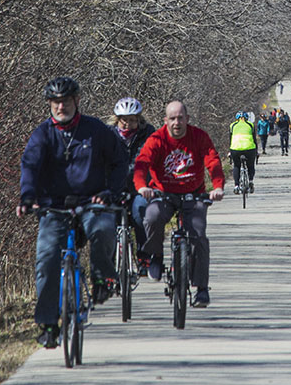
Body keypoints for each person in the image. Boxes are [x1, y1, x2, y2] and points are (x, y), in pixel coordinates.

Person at [18, 76, 128, 348]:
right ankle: (47, 324)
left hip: (91, 202)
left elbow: (119, 161)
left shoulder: (95, 130)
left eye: (65, 101)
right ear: (49, 105)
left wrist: (110, 192)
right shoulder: (42, 134)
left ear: (76, 101)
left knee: (104, 229)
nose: (60, 107)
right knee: (46, 259)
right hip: (53, 206)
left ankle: (103, 277)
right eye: (55, 102)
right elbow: (30, 165)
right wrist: (27, 196)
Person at [133, 101, 225, 308]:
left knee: (198, 235)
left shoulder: (199, 137)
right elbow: (142, 163)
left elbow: (213, 161)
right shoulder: (156, 139)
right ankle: (155, 256)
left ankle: (201, 289)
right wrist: (141, 186)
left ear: (187, 119)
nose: (177, 122)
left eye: (181, 118)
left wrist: (217, 186)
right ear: (165, 120)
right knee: (152, 216)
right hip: (163, 193)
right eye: (172, 118)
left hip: (194, 195)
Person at [108, 96, 157, 275]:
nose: (129, 124)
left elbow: (145, 159)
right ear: (117, 120)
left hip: (139, 186)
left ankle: (144, 257)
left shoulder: (148, 133)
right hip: (114, 187)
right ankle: (110, 264)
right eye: (125, 120)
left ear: (139, 119)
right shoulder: (108, 135)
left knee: (140, 213)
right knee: (108, 220)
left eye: (133, 120)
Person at [228, 111, 258, 194]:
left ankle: (236, 186)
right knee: (250, 165)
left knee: (236, 166)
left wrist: (230, 151)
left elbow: (230, 140)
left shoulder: (232, 125)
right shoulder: (250, 125)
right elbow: (254, 140)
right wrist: (257, 152)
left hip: (235, 148)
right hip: (249, 148)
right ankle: (251, 181)